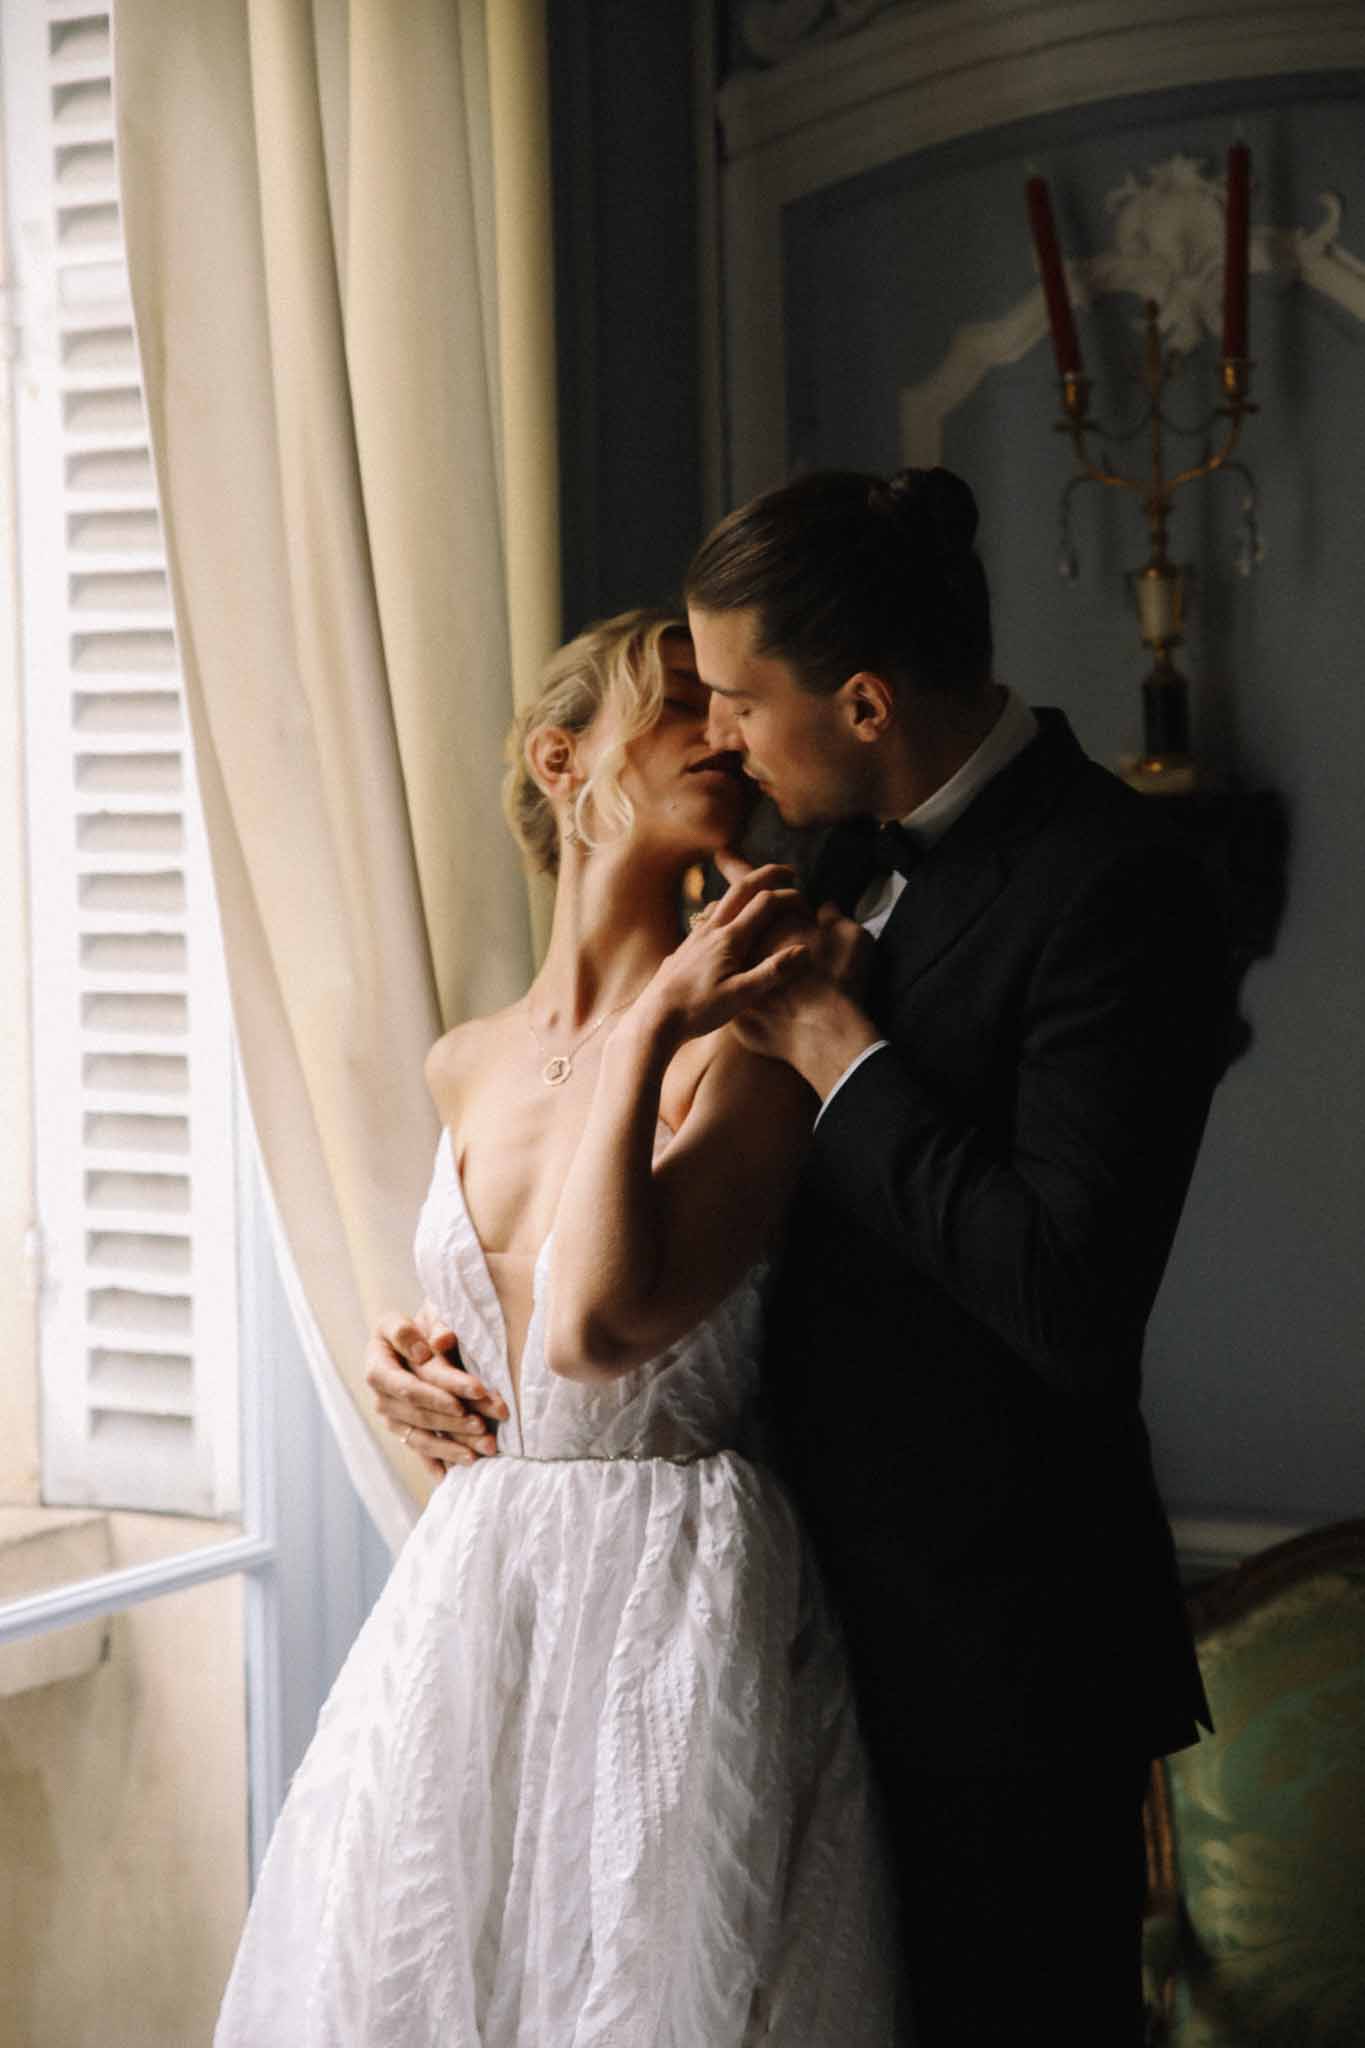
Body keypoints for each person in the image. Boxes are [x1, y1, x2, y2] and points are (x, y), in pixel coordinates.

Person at [375, 468, 1229, 2046]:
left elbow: (1070, 1300)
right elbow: (658, 1208)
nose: (723, 740)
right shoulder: (827, 860)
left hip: (995, 1655)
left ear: (858, 698)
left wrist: (841, 1050)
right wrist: (443, 1343)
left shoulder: (1119, 883)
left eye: (738, 701)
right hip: (764, 1625)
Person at [217, 609, 904, 2047]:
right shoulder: (461, 1063)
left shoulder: (760, 1037)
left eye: (727, 712)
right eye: (676, 710)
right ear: (561, 757)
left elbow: (602, 1327)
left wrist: (657, 1012)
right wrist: (395, 1349)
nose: (721, 735)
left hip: (677, 1583)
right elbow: (503, 1339)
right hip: (477, 1589)